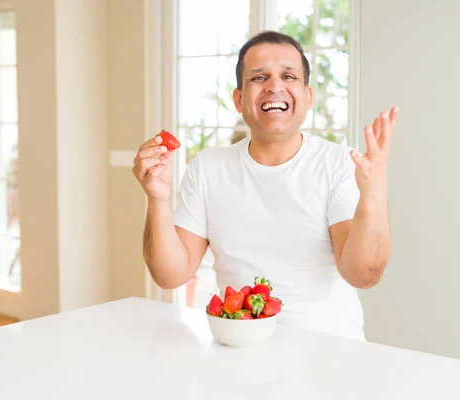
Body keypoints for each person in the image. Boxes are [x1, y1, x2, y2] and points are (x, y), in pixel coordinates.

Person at [132, 31, 398, 341]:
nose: (275, 86)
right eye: (259, 77)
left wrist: (374, 193)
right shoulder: (208, 167)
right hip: (236, 348)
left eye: (288, 75)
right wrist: (158, 199)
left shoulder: (338, 163)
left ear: (308, 97)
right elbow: (169, 275)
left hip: (329, 355)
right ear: (238, 99)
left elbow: (362, 275)